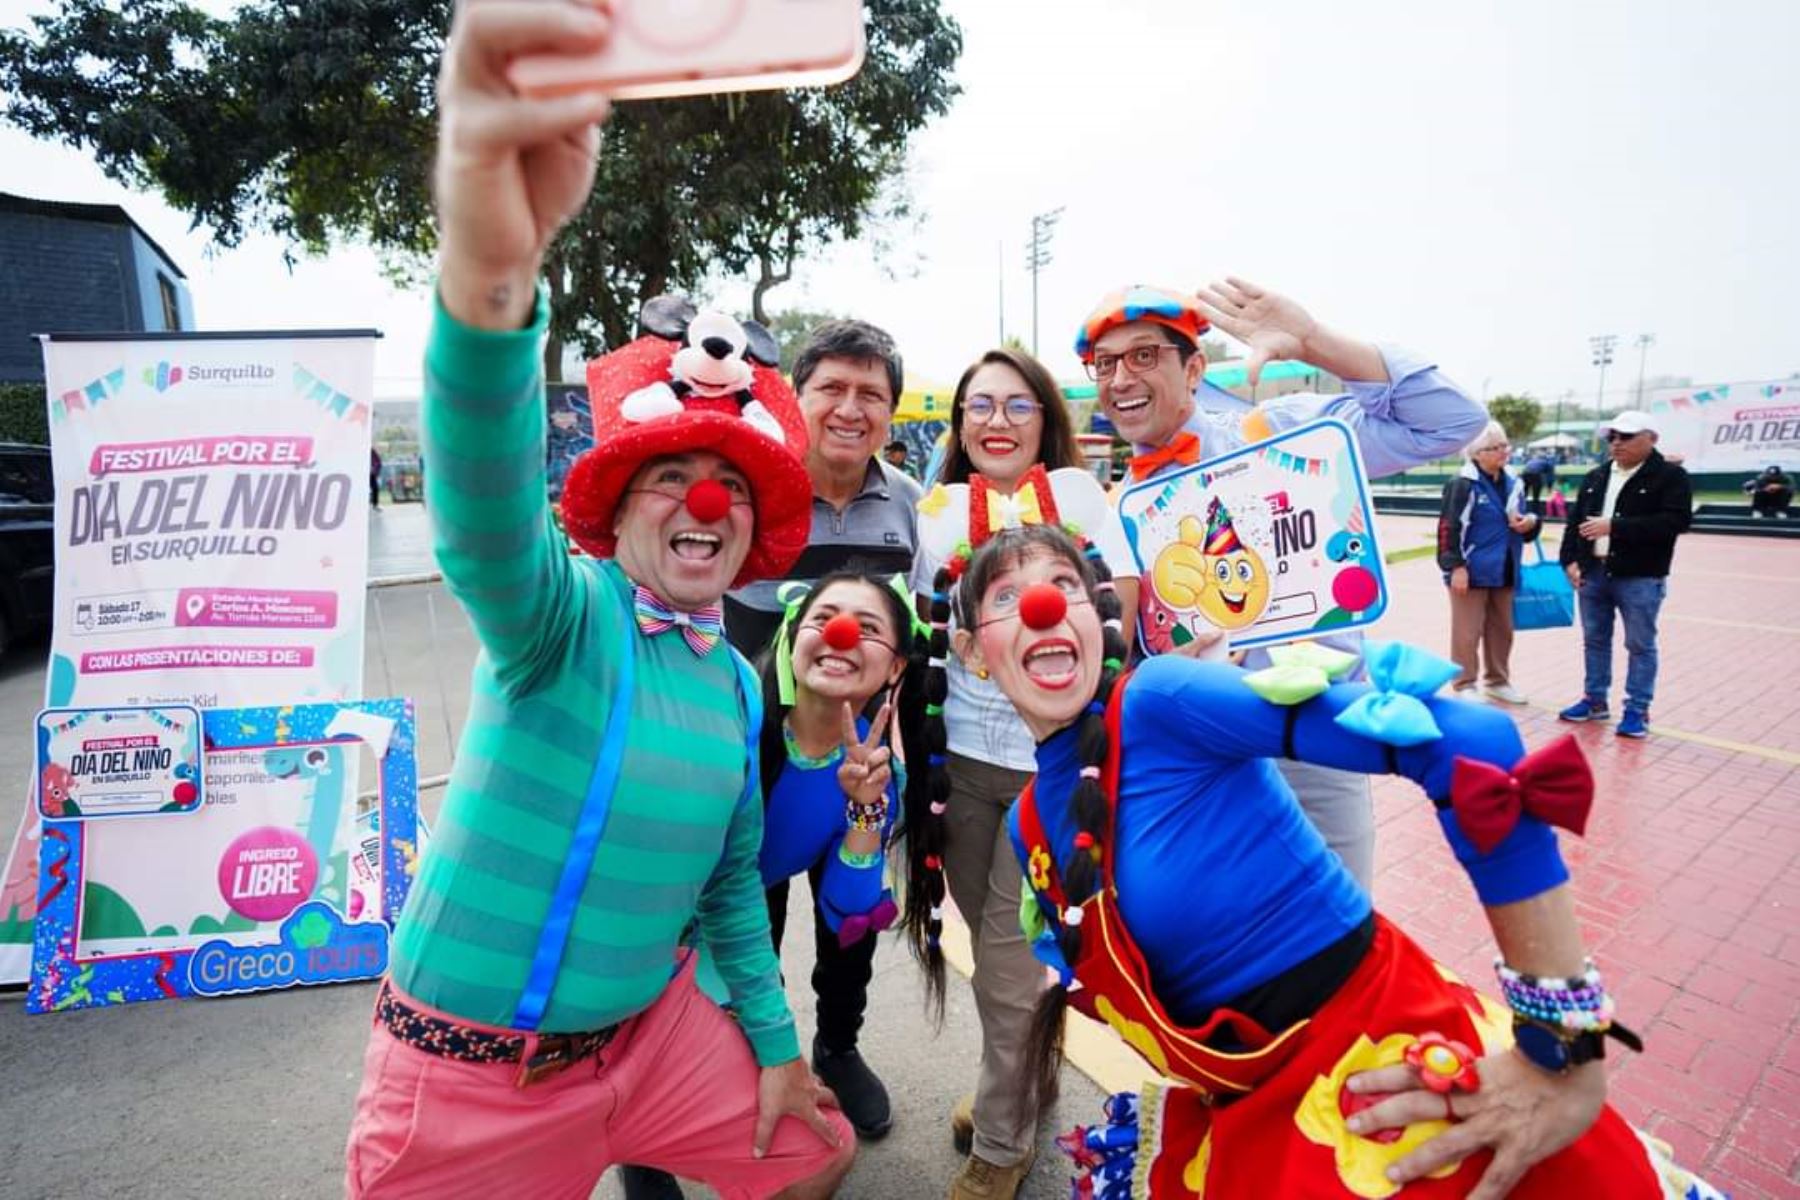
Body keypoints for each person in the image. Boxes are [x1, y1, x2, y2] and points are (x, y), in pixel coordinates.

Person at [344, 6, 852, 1197]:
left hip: (656, 1042)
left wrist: (777, 1052)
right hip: (475, 1083)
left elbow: (730, 880)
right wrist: (491, 272)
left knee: (817, 1156)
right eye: (671, 480)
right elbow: (477, 509)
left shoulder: (734, 680)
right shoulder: (560, 615)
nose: (706, 506)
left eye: (730, 486)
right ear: (615, 515)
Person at [956, 524, 1723, 1200]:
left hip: (1388, 1070)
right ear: (972, 653)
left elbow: (1475, 751)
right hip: (1257, 1109)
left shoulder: (1159, 701)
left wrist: (1565, 1052)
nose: (1042, 606)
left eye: (1063, 585)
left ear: (1099, 619)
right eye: (1005, 597)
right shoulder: (1030, 828)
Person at [1081, 282, 1487, 891]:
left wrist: (1315, 343)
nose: (1120, 379)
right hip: (1196, 752)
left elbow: (1449, 421)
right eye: (1105, 364)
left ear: (1193, 368)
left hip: (1311, 743)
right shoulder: (1112, 509)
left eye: (1143, 356)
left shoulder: (1271, 433)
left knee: (1338, 925)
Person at [912, 349, 1143, 1199]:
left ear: (1045, 417)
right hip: (965, 771)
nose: (997, 421)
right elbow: (920, 635)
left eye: (1017, 405)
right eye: (980, 406)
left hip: (1054, 772)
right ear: (960, 423)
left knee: (1010, 974)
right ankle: (1022, 1089)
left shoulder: (1083, 500)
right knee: (1000, 956)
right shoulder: (934, 510)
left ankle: (1003, 1147)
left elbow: (1120, 611)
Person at [717, 318, 924, 1145]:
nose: (849, 407)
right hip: (749, 763)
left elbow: (925, 636)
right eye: (830, 388)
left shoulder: (913, 509)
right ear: (795, 398)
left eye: (870, 393)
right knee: (742, 927)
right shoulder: (748, 493)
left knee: (850, 918)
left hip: (859, 765)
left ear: (891, 412)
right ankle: (739, 1068)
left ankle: (838, 1047)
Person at [1556, 410, 1693, 739]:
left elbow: (1676, 522)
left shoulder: (1670, 477)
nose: (1617, 443)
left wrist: (1615, 527)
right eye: (1612, 437)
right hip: (1594, 572)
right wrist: (1569, 561)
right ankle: (1594, 700)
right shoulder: (1597, 475)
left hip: (1640, 576)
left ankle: (1637, 709)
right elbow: (1575, 522)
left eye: (1626, 437)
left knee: (1640, 644)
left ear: (1652, 438)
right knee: (1595, 640)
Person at [1436, 421, 1539, 704]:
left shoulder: (1513, 481)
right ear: (1477, 453)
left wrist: (1529, 523)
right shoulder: (1463, 484)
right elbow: (1449, 528)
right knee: (1467, 632)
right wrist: (1455, 567)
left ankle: (1498, 680)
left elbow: (1525, 517)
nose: (1503, 452)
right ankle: (1464, 683)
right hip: (1471, 571)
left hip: (1505, 567)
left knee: (1502, 630)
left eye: (1504, 445)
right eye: (1494, 448)